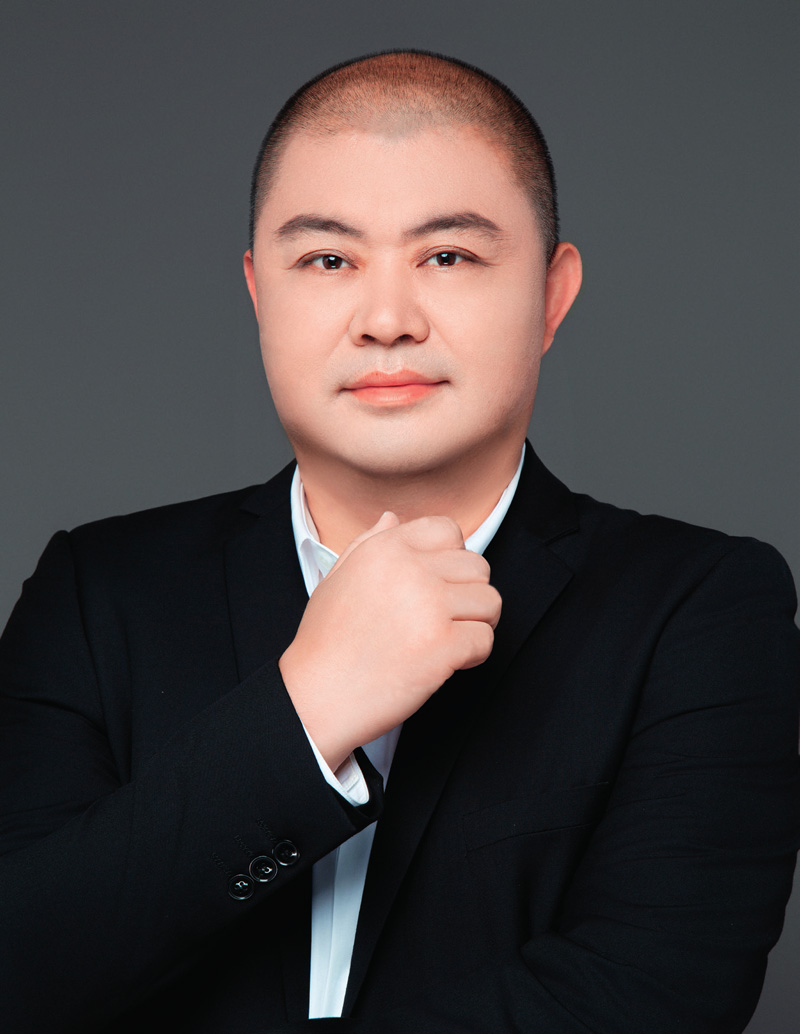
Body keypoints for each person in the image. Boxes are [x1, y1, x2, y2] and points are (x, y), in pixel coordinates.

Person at [0, 50, 798, 1034]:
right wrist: (305, 709)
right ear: (258, 292)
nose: (385, 320)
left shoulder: (702, 609)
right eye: (328, 260)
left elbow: (653, 995)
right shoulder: (95, 591)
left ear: (552, 296)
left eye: (448, 256)